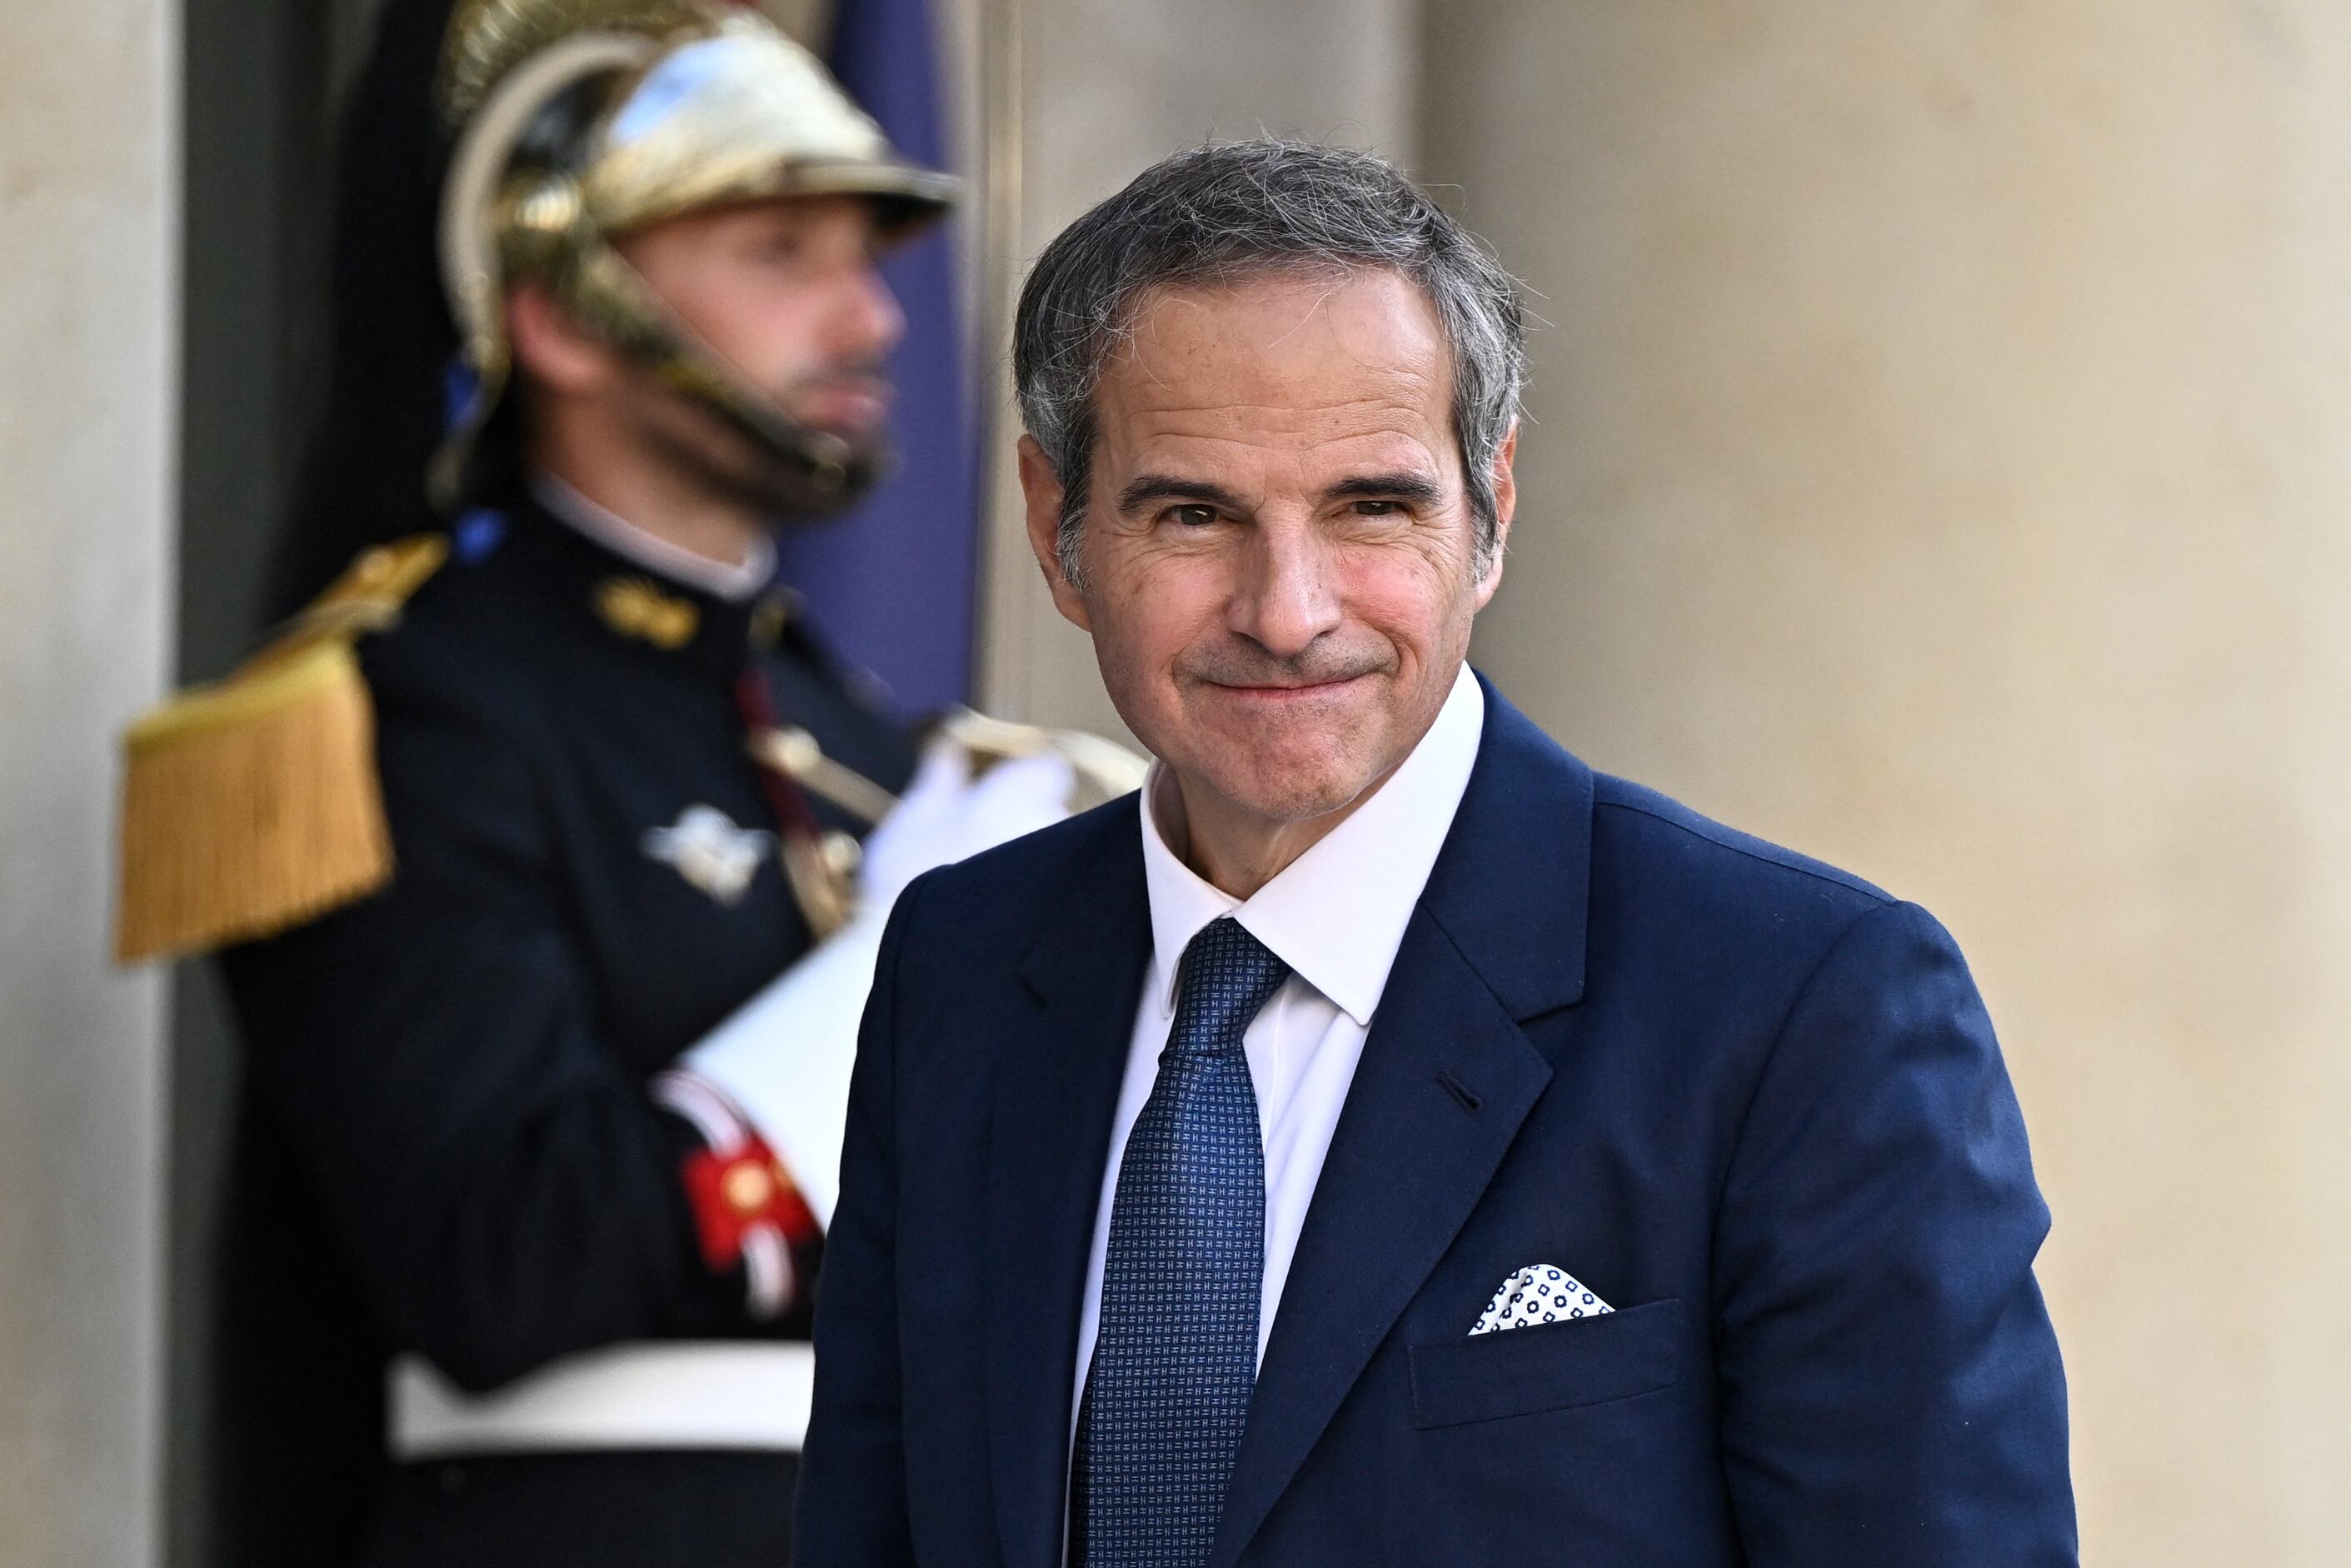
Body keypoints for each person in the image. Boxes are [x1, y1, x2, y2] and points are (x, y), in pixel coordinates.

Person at [795, 140, 2078, 1566]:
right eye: (1193, 513)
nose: (1285, 612)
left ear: (1490, 513)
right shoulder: (961, 966)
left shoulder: (1798, 1002)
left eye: (1370, 507)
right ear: (1057, 529)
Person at [113, 1, 1125, 1563]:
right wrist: (896, 978)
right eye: (781, 252)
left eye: (864, 256)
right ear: (565, 313)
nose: (870, 320)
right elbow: (501, 1263)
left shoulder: (876, 747)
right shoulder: (403, 714)